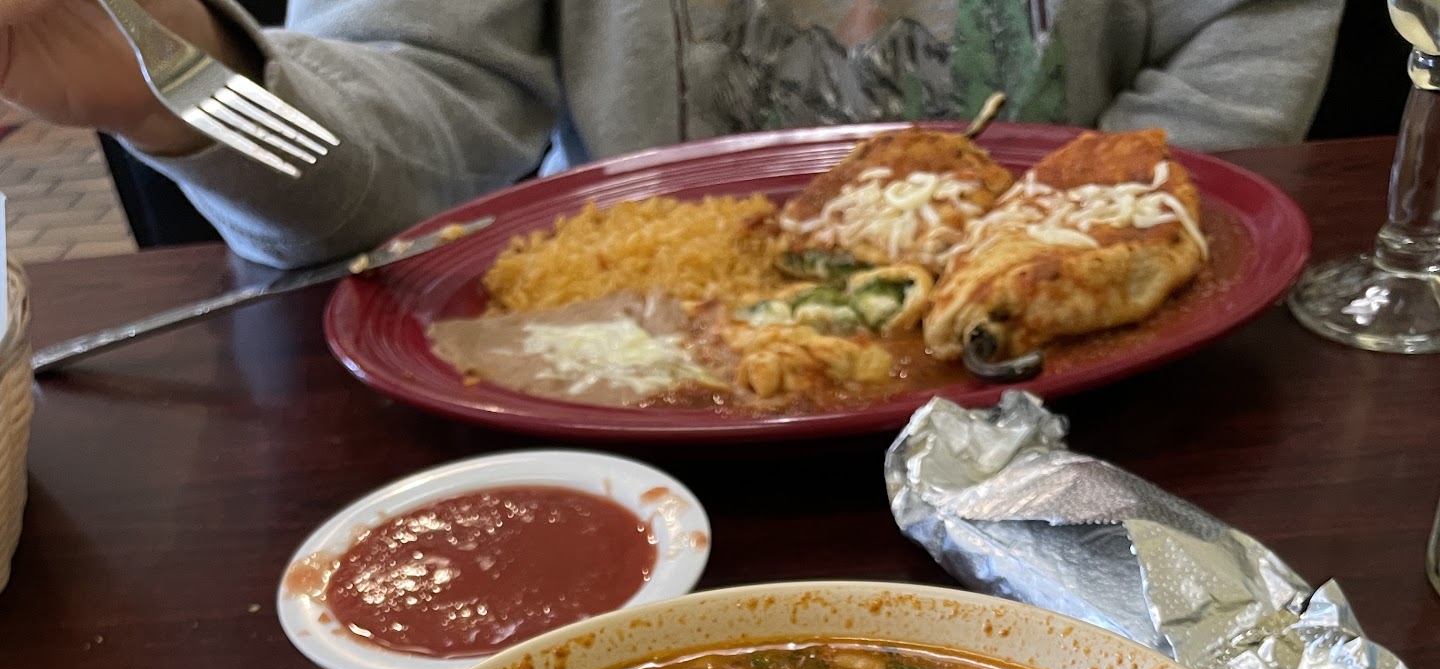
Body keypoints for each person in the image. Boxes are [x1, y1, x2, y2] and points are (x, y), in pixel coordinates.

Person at [0, 0, 1342, 267]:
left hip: (1106, 421)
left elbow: (1248, 28)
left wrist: (1087, 245)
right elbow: (404, 151)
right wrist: (180, 82)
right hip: (632, 431)